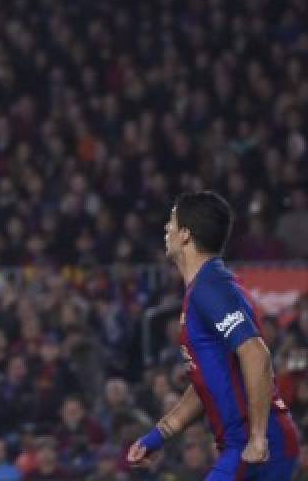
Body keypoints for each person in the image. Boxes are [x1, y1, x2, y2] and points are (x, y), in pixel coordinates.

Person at [127, 191, 301, 480]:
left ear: (185, 235)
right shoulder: (205, 287)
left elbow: (255, 353)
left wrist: (257, 438)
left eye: (171, 220)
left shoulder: (210, 286)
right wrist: (156, 437)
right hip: (254, 442)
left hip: (254, 443)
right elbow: (210, 379)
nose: (166, 228)